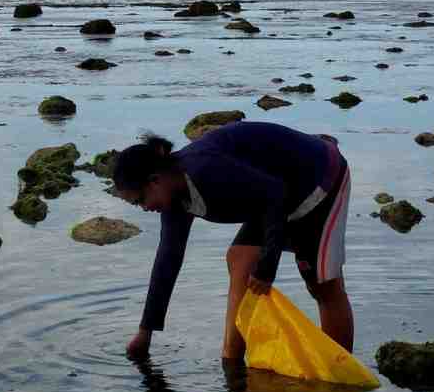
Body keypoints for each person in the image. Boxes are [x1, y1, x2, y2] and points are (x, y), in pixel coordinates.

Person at [111, 121, 354, 361]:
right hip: (275, 193)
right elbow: (168, 259)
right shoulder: (174, 200)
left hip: (319, 179)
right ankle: (232, 361)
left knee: (323, 286)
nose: (143, 208)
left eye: (140, 200)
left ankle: (340, 374)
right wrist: (146, 332)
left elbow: (275, 195)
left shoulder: (204, 170)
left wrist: (267, 269)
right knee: (241, 259)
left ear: (155, 181)